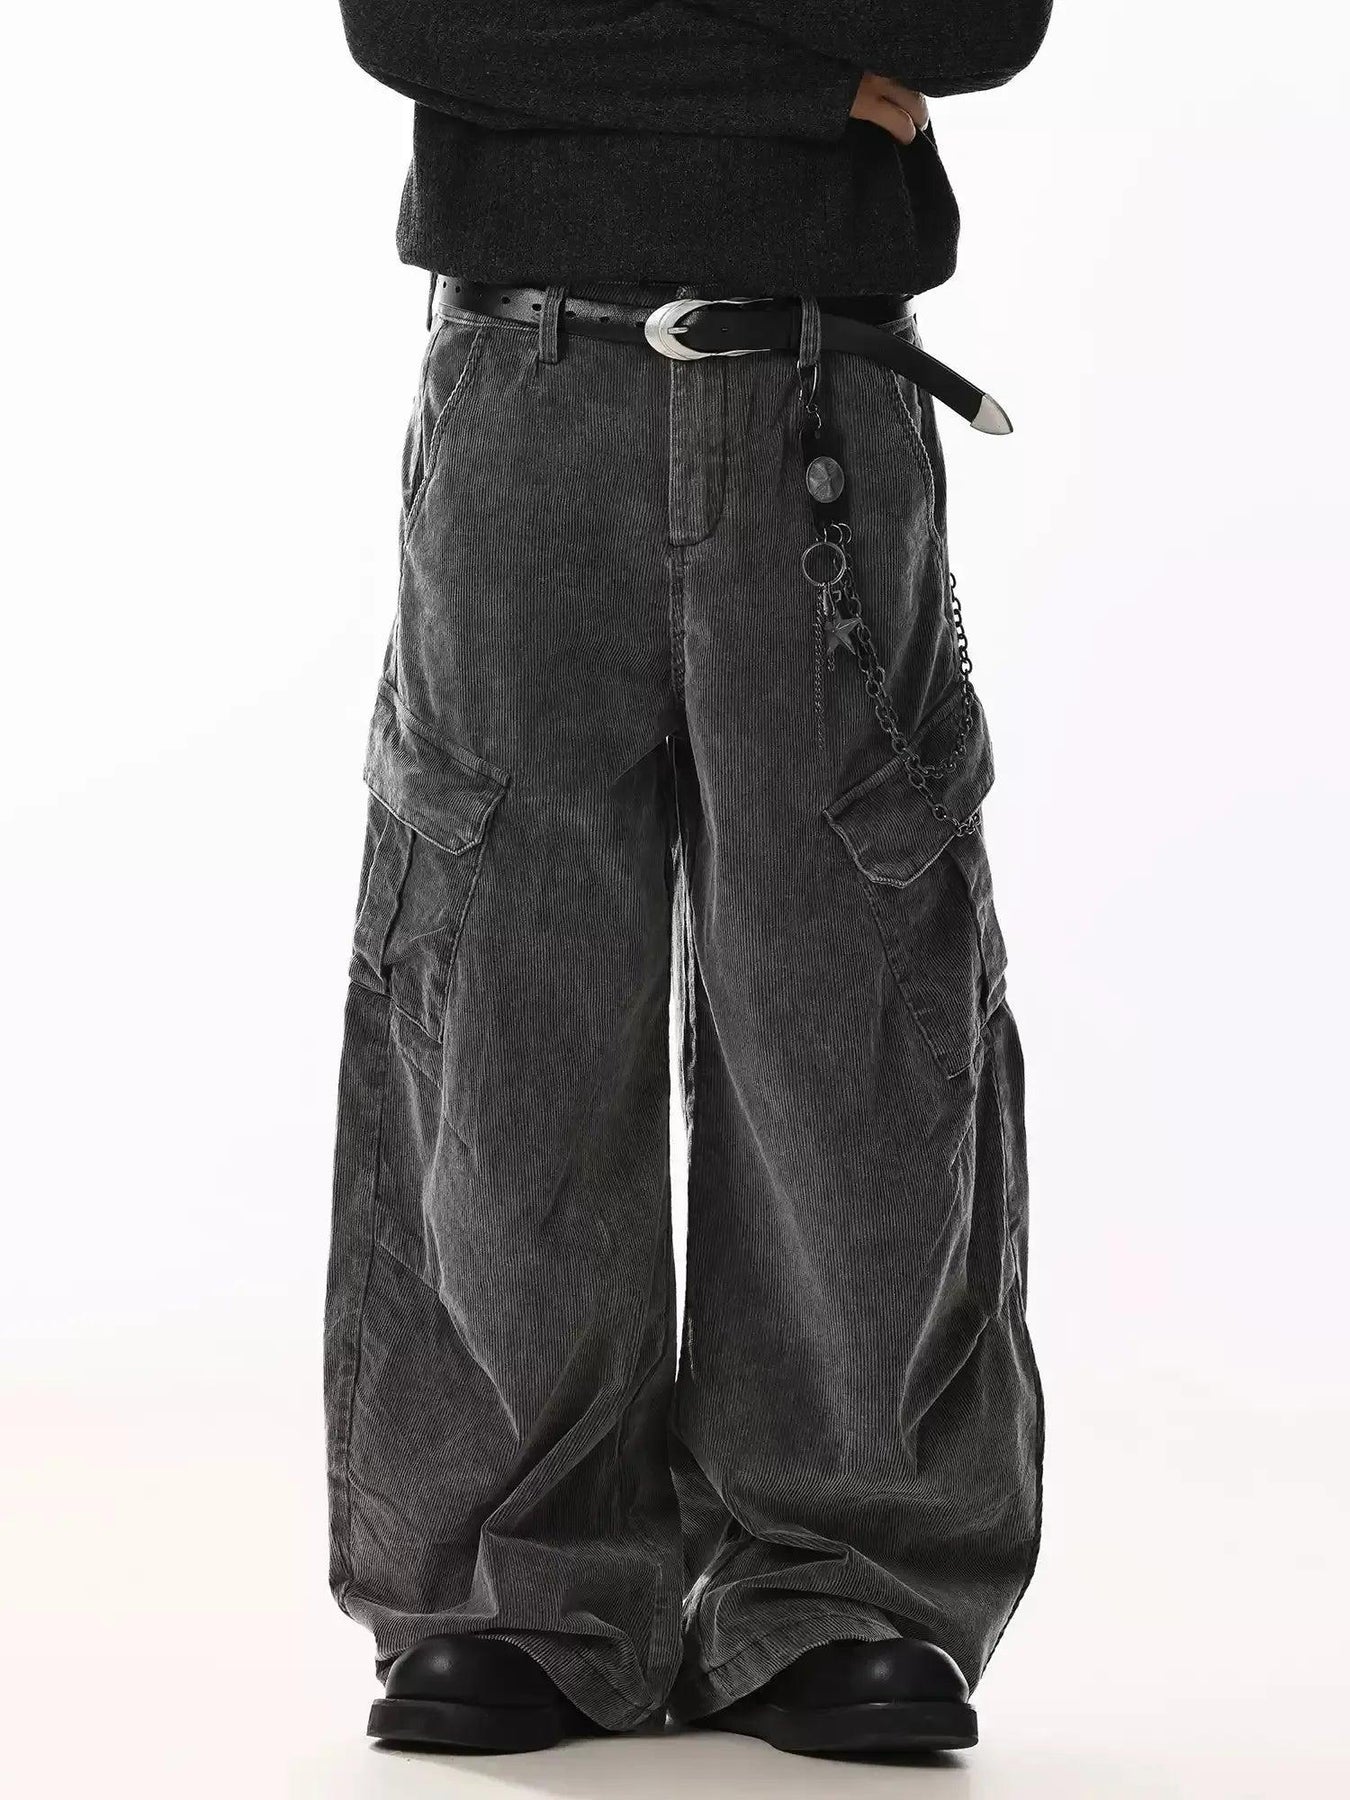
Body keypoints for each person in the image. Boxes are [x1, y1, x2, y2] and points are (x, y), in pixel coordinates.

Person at [323, 0, 1052, 1760]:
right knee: (498, 979)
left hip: (823, 390)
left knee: (845, 983)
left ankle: (841, 1580)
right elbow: (414, 22)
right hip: (524, 386)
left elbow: (970, 22)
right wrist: (814, 83)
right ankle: (516, 1581)